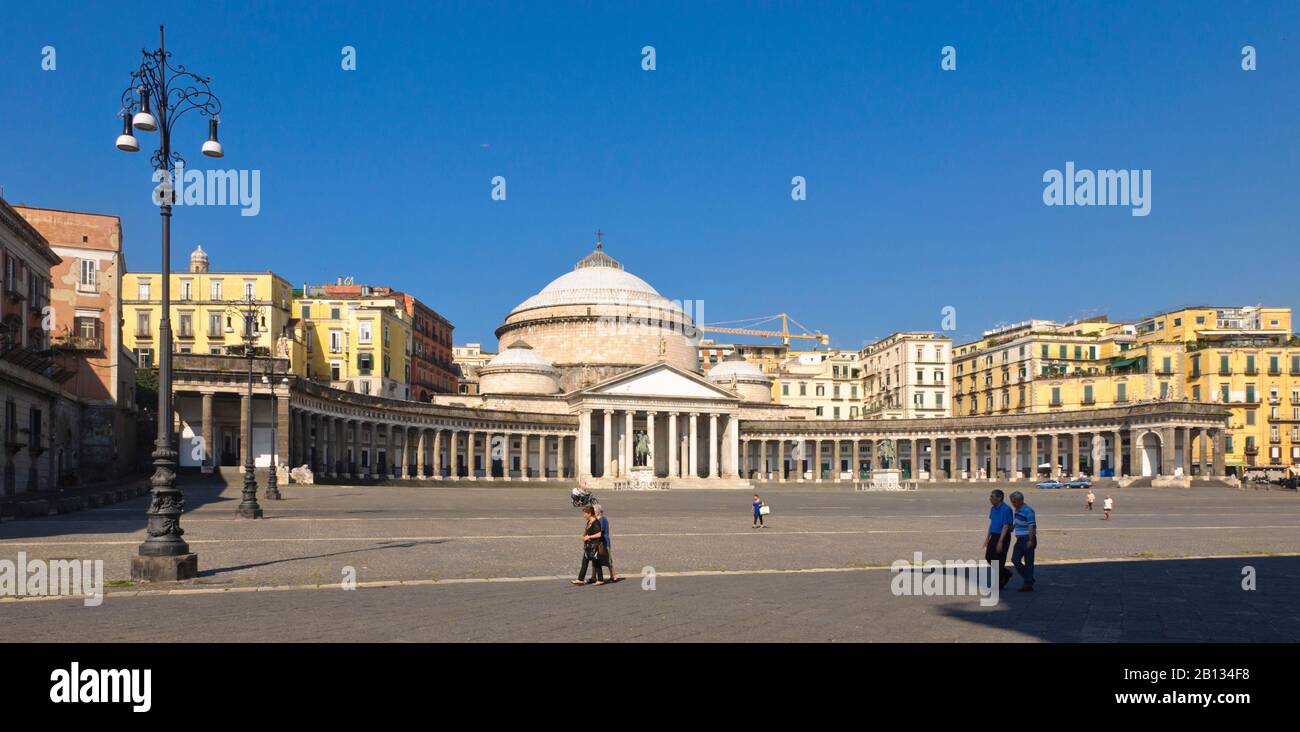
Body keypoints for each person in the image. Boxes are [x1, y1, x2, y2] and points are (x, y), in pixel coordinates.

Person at [984, 489, 1014, 589]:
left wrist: (1000, 542)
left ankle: (998, 584)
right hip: (994, 536)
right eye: (990, 496)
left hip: (1003, 536)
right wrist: (987, 538)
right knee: (988, 557)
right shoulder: (993, 509)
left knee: (999, 560)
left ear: (999, 498)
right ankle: (1006, 574)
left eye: (992, 497)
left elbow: (1006, 526)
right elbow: (992, 523)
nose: (990, 499)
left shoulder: (1006, 509)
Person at [1008, 491, 1037, 592]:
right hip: (1019, 539)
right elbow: (1017, 521)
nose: (1013, 503)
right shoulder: (1017, 509)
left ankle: (1027, 584)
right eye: (1012, 501)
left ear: (1021, 500)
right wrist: (1013, 527)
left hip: (1027, 538)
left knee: (1029, 562)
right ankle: (1029, 578)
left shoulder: (1028, 511)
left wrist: (1030, 540)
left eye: (1014, 501)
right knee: (1015, 559)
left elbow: (1031, 526)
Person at [571, 506, 605, 586]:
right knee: (584, 562)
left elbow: (599, 534)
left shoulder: (596, 522)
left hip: (594, 546)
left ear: (589, 513)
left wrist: (589, 537)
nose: (583, 515)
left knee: (597, 563)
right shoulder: (589, 522)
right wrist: (584, 537)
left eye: (584, 513)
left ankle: (600, 579)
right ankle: (580, 579)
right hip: (588, 546)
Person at [594, 503, 619, 582]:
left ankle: (613, 576)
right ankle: (593, 576)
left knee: (608, 560)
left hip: (604, 543)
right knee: (595, 560)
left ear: (597, 512)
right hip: (598, 542)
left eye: (593, 511)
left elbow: (599, 531)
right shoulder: (598, 519)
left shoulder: (602, 519)